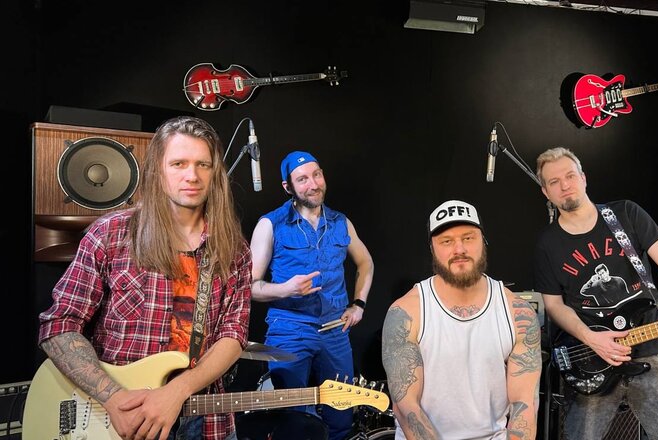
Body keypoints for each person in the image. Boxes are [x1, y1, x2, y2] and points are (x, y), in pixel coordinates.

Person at [37, 116, 252, 440]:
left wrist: (177, 390)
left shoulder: (234, 249)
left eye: (203, 165)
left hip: (204, 420)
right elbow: (60, 324)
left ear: (215, 173)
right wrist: (112, 397)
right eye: (178, 163)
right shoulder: (110, 234)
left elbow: (233, 335)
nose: (192, 176)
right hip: (117, 416)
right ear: (157, 171)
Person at [532, 147, 658, 440]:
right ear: (545, 192)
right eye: (554, 181)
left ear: (583, 178)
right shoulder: (547, 243)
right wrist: (591, 338)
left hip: (652, 347)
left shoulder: (625, 214)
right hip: (591, 358)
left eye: (570, 176)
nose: (564, 185)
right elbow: (554, 305)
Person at [381, 199, 542, 440]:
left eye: (468, 238)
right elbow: (406, 407)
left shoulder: (517, 312)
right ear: (432, 249)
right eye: (446, 241)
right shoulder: (406, 312)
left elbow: (524, 404)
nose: (459, 249)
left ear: (483, 242)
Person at [248, 150, 374, 440]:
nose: (313, 184)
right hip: (289, 329)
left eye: (317, 175)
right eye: (302, 179)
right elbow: (250, 286)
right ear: (288, 186)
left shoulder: (341, 222)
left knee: (341, 416)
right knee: (294, 419)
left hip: (334, 329)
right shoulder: (271, 224)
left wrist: (358, 304)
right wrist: (286, 289)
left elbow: (365, 262)